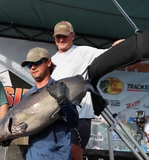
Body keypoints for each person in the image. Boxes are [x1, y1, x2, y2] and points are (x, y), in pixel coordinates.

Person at [51, 21, 124, 160]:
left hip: (79, 116)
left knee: (74, 155)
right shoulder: (51, 60)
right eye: (57, 37)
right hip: (57, 119)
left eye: (64, 36)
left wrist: (119, 47)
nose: (61, 40)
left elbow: (106, 54)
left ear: (73, 35)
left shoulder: (82, 52)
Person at [21, 47, 79, 160]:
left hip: (59, 156)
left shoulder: (61, 89)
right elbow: (25, 127)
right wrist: (9, 136)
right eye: (29, 65)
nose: (32, 67)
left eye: (36, 62)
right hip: (34, 156)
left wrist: (63, 101)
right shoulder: (27, 96)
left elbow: (74, 121)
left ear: (48, 62)